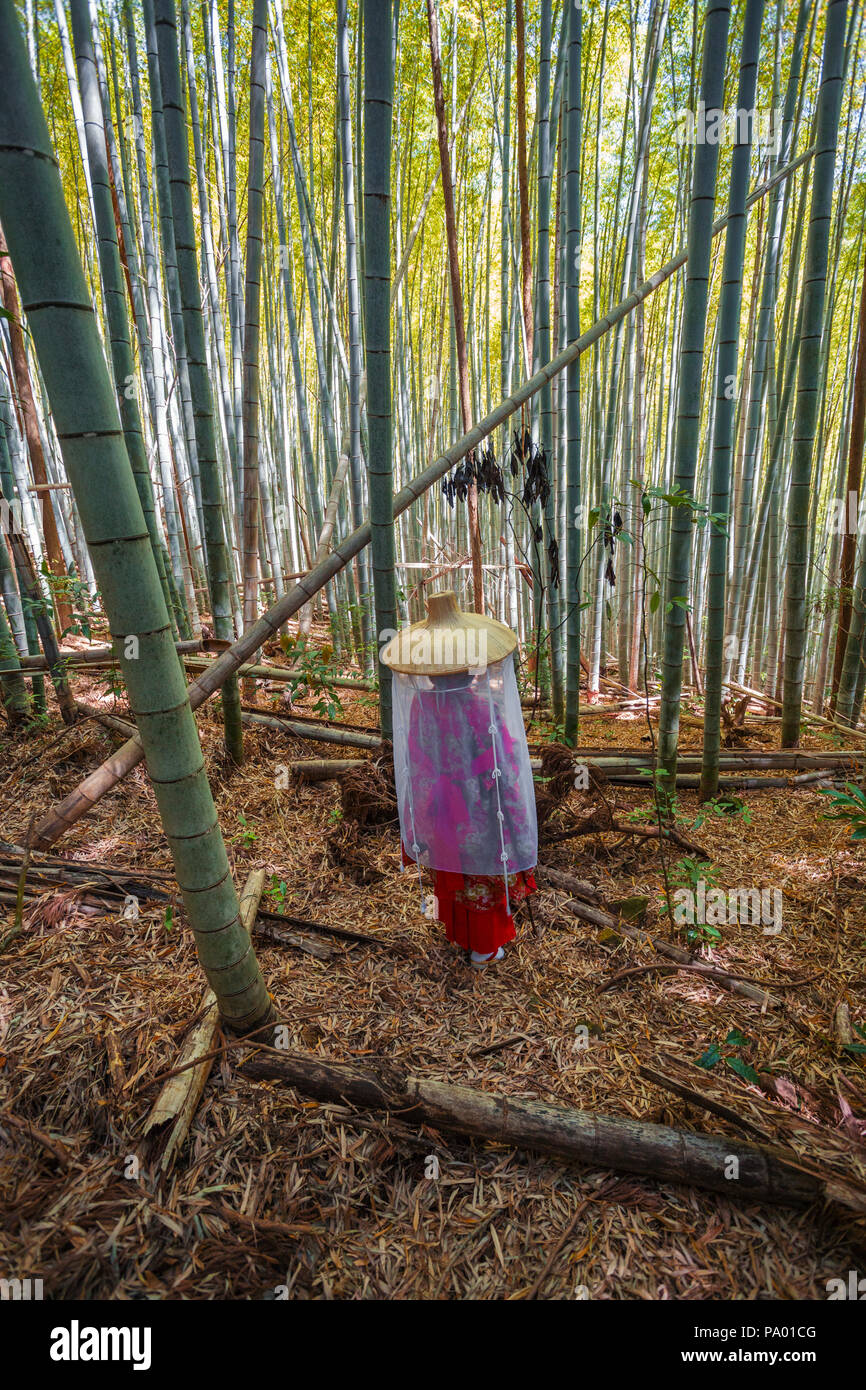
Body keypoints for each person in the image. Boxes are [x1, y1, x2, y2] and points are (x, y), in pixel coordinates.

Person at [382, 591, 538, 969]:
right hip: (482, 810)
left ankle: (466, 937)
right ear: (470, 664)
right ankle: (484, 946)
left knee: (458, 872)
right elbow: (501, 763)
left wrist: (421, 807)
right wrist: (512, 807)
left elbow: (417, 762)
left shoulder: (422, 705)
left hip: (442, 809)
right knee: (482, 873)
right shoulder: (481, 705)